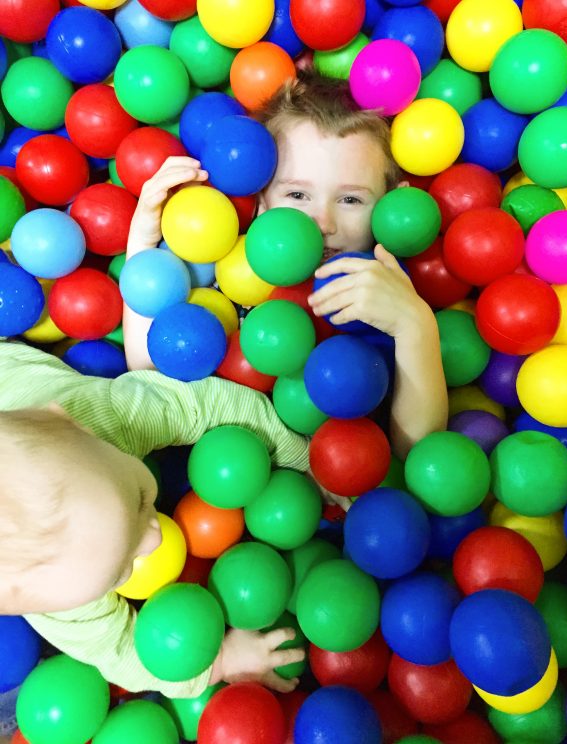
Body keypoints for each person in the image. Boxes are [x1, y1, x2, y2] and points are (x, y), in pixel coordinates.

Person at [125, 70, 448, 460]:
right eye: (297, 194)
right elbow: (147, 378)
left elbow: (416, 454)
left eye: (351, 200)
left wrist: (416, 326)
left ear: (391, 208)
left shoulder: (380, 295)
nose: (321, 223)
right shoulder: (226, 275)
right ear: (260, 200)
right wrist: (143, 243)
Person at [0, 339, 309, 731]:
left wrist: (303, 458)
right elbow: (123, 655)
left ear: (75, 426)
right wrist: (219, 662)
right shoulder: (60, 604)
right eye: (118, 573)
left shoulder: (112, 418)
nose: (156, 540)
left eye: (141, 498)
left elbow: (211, 406)